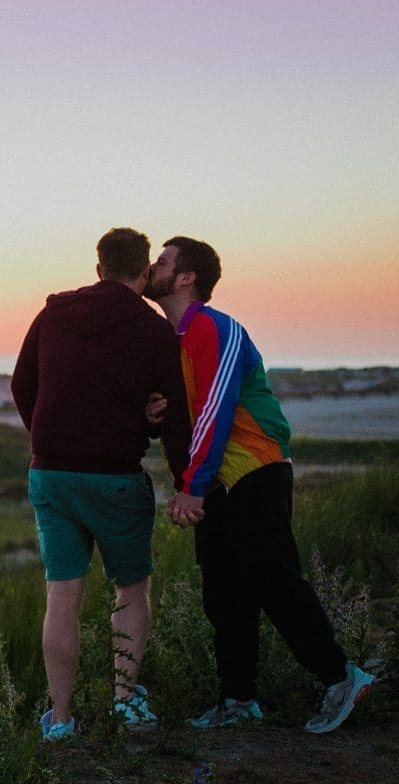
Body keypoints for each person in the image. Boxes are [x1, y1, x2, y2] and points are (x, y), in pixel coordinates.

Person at [145, 235, 375, 734]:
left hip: (253, 469)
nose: (151, 267)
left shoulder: (214, 326)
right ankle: (238, 699)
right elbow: (188, 415)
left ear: (186, 277)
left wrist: (191, 486)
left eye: (161, 261)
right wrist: (157, 416)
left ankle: (340, 678)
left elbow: (217, 408)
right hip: (216, 483)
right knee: (224, 593)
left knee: (273, 578)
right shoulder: (176, 342)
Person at [12, 228, 192, 740]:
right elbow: (175, 414)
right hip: (114, 476)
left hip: (51, 474)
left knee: (62, 597)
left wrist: (48, 439)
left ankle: (60, 720)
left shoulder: (53, 315)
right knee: (130, 590)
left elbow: (22, 385)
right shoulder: (152, 327)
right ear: (145, 272)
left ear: (98, 269)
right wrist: (184, 480)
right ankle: (125, 703)